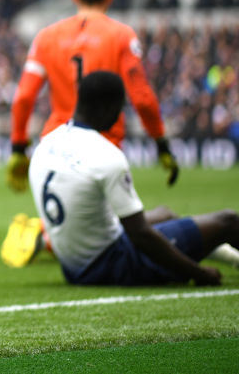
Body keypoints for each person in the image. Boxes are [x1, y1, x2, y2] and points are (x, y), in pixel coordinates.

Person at [2, 0, 179, 268]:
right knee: (110, 224)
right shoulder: (121, 36)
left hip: (55, 141)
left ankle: (47, 234)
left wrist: (18, 147)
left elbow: (24, 96)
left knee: (81, 216)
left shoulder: (46, 37)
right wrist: (161, 142)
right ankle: (46, 238)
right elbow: (143, 98)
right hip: (101, 142)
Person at [28, 70, 239, 286]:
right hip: (111, 265)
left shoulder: (45, 144)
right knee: (229, 221)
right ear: (108, 108)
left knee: (165, 214)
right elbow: (140, 235)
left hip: (73, 267)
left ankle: (229, 257)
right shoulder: (106, 155)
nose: (120, 116)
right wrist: (198, 273)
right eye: (120, 109)